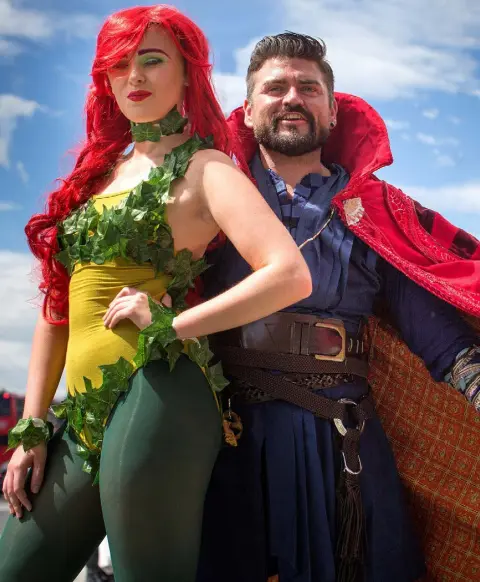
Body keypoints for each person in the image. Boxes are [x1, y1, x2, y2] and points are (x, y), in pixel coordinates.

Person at [0, 10, 312, 582]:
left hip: (160, 389)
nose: (133, 75)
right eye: (119, 64)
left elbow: (290, 274)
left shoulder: (205, 169)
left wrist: (174, 323)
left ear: (186, 73)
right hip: (83, 412)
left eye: (152, 59)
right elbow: (57, 309)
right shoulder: (94, 178)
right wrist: (35, 427)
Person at [195, 33, 480, 582]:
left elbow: (434, 328)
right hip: (230, 435)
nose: (292, 98)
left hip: (344, 438)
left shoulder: (378, 211)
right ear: (248, 108)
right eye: (274, 88)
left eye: (309, 87)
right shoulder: (210, 197)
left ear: (332, 106)